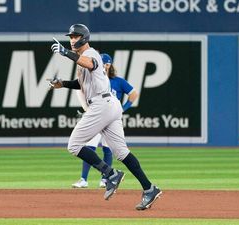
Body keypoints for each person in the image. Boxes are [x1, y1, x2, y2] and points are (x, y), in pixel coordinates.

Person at [49, 24, 162, 210]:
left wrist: (64, 52)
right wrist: (63, 84)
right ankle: (149, 188)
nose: (72, 40)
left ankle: (110, 174)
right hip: (110, 105)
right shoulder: (84, 57)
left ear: (84, 38)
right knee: (122, 152)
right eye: (71, 37)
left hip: (101, 105)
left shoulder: (91, 54)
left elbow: (90, 64)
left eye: (76, 36)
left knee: (74, 145)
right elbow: (82, 82)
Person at [71, 53, 139, 189]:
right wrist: (87, 110)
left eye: (108, 64)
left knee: (109, 150)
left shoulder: (117, 81)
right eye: (104, 64)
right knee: (89, 147)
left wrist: (123, 108)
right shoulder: (91, 79)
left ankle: (105, 178)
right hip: (96, 116)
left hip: (110, 116)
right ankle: (84, 179)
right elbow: (79, 89)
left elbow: (133, 94)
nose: (106, 66)